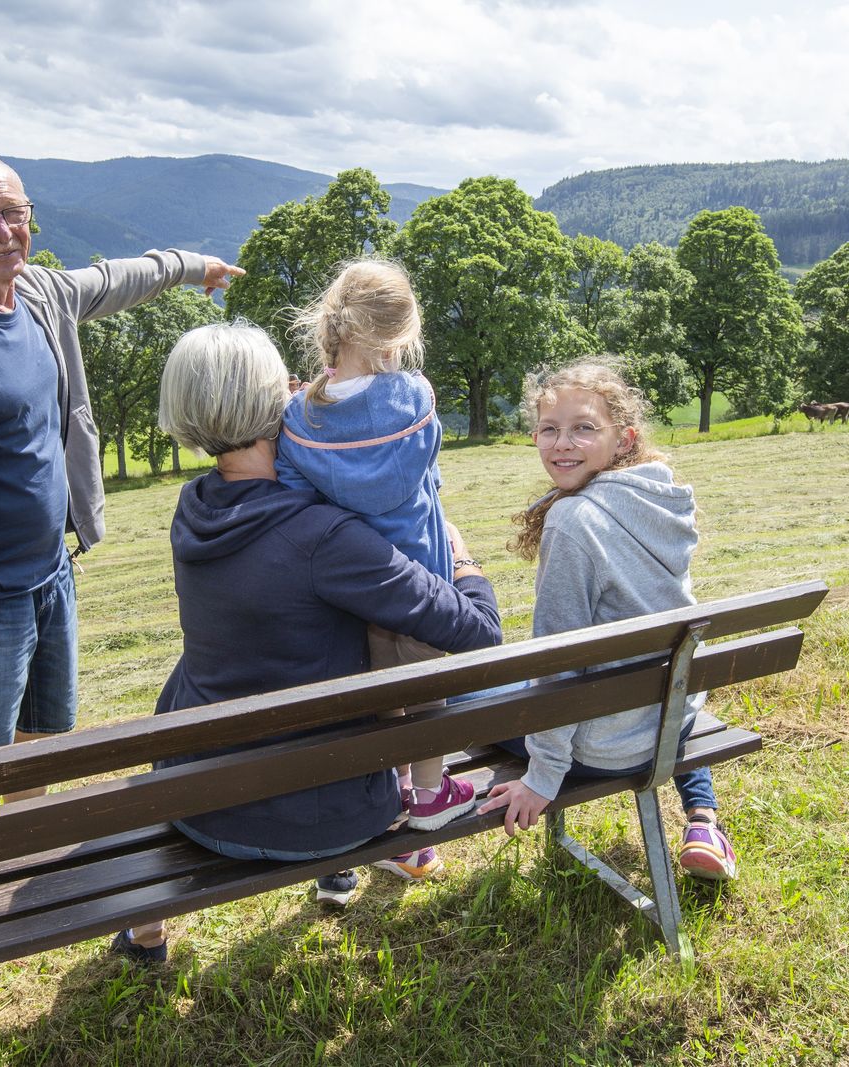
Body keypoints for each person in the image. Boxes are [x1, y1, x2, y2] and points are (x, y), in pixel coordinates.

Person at [0, 152, 244, 805]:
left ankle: (22, 866)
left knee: (45, 743)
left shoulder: (40, 294)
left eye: (15, 213)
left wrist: (190, 266)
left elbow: (116, 277)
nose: (4, 231)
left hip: (53, 574)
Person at [112, 321, 501, 963]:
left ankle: (150, 929)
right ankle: (340, 866)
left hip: (196, 800)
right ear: (278, 400)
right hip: (321, 820)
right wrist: (464, 562)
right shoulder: (325, 536)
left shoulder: (195, 508)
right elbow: (476, 631)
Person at [476, 361, 738, 881]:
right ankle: (704, 820)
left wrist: (543, 776)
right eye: (549, 429)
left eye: (584, 428)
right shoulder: (659, 497)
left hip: (607, 745)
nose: (562, 443)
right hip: (670, 715)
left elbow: (558, 664)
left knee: (460, 700)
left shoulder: (573, 522)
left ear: (624, 439)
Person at [273, 258, 473, 883]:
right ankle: (430, 792)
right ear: (399, 337)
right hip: (419, 578)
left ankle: (386, 803)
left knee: (372, 695)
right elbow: (429, 468)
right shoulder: (415, 399)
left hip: (345, 585)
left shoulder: (300, 419)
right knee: (424, 689)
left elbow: (289, 490)